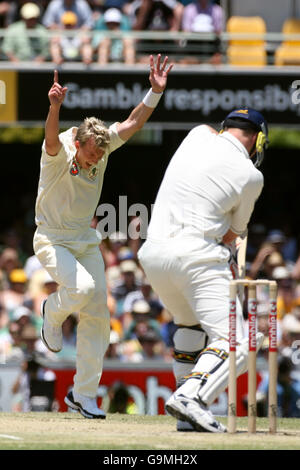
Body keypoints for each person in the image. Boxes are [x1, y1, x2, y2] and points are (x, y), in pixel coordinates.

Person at [33, 54, 173, 419]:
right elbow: (50, 136)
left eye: (100, 154)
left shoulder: (103, 144)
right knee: (79, 291)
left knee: (98, 314)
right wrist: (54, 107)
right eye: (92, 154)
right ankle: (52, 310)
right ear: (78, 145)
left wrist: (154, 93)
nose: (96, 160)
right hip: (50, 238)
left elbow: (131, 122)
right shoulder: (59, 152)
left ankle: (84, 395)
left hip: (85, 238)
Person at [138, 107, 269, 432]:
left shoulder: (195, 135)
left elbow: (208, 131)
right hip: (195, 255)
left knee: (190, 329)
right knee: (236, 342)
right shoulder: (252, 176)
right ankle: (191, 398)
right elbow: (231, 235)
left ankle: (186, 417)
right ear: (258, 139)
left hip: (153, 255)